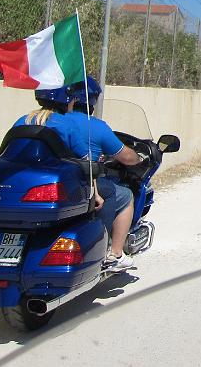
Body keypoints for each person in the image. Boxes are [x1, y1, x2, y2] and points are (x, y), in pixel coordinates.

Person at [67, 77, 142, 271]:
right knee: (125, 195)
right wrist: (139, 157)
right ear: (92, 101)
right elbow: (127, 157)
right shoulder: (96, 126)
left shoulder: (51, 120)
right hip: (84, 182)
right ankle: (114, 253)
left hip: (55, 182)